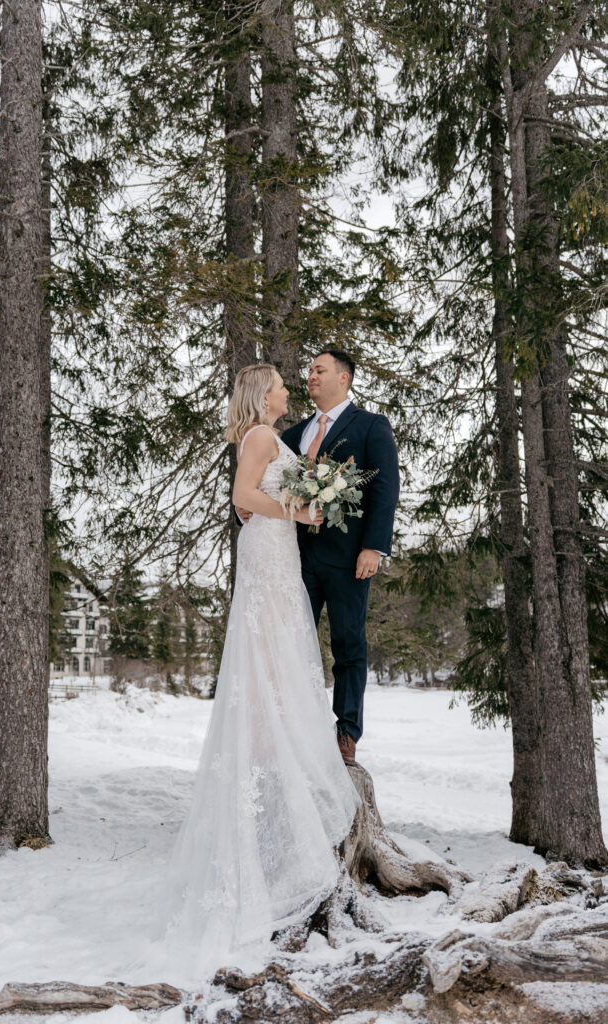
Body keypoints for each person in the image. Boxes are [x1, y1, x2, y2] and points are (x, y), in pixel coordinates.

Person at [152, 363, 360, 979]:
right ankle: (281, 761)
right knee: (273, 656)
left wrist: (297, 505)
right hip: (271, 553)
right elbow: (244, 499)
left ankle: (279, 751)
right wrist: (299, 512)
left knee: (277, 657)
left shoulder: (267, 438)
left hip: (272, 553)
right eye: (280, 387)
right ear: (262, 395)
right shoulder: (263, 438)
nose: (289, 392)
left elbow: (252, 502)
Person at [238, 351, 400, 764]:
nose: (310, 376)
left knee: (348, 645)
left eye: (319, 370)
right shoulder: (290, 435)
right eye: (308, 369)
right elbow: (259, 483)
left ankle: (346, 732)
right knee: (290, 646)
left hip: (349, 558)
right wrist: (243, 510)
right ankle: (291, 729)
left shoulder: (370, 426)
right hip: (293, 558)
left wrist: (374, 547)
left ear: (343, 379)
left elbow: (385, 490)